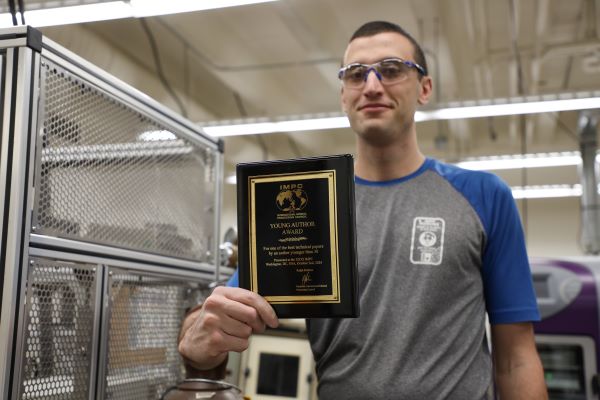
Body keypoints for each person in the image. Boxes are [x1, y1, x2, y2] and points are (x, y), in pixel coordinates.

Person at [178, 20, 548, 399]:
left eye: (390, 70)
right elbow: (220, 318)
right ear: (343, 95)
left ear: (424, 88)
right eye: (356, 75)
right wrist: (198, 336)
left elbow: (515, 358)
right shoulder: (305, 206)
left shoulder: (484, 196)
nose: (372, 86)